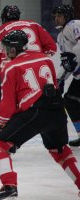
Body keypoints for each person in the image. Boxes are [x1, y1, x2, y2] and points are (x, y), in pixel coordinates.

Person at [0, 30, 80, 199]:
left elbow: (7, 108)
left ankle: (9, 186)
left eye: (6, 48)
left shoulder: (10, 68)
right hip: (57, 111)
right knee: (60, 151)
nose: (4, 52)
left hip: (35, 113)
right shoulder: (45, 59)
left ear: (13, 49)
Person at [0, 5, 57, 74]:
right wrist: (40, 56)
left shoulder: (0, 31)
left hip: (13, 67)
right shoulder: (34, 24)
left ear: (3, 17)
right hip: (38, 65)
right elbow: (52, 47)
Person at [52, 4, 80, 147]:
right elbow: (67, 63)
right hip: (78, 77)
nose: (57, 18)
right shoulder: (60, 37)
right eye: (55, 16)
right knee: (70, 101)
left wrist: (74, 60)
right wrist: (59, 79)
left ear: (68, 16)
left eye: (60, 15)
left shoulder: (75, 24)